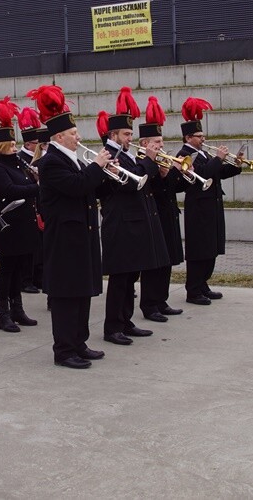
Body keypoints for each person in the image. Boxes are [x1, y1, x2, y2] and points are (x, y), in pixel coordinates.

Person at [30, 84, 111, 369]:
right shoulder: (51, 162)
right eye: (74, 134)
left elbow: (88, 191)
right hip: (64, 239)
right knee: (66, 296)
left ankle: (79, 342)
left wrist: (103, 175)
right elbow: (76, 187)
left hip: (81, 236)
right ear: (60, 136)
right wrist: (97, 167)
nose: (79, 138)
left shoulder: (72, 160)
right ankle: (64, 350)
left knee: (82, 292)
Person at [99, 87, 169, 346]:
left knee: (131, 277)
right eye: (126, 134)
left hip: (133, 222)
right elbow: (127, 183)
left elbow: (141, 182)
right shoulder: (108, 155)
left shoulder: (126, 155)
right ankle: (112, 327)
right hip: (120, 224)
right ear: (113, 134)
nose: (130, 137)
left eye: (130, 134)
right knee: (120, 278)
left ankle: (125, 320)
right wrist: (149, 162)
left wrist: (157, 172)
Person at [0, 97, 40, 333]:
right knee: (7, 269)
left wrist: (34, 178)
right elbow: (9, 190)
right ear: (1, 146)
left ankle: (18, 309)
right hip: (6, 226)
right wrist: (38, 187)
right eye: (12, 145)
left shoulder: (14, 164)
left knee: (19, 267)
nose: (16, 149)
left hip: (22, 224)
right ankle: (3, 313)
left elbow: (23, 183)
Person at [175, 97, 240, 305]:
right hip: (198, 208)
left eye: (203, 135)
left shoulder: (202, 153)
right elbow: (201, 175)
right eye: (199, 136)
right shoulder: (184, 155)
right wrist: (218, 158)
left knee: (211, 248)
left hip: (212, 205)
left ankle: (203, 284)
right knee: (199, 250)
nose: (203, 139)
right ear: (188, 137)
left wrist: (235, 165)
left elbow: (218, 173)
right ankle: (193, 290)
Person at [137, 96, 185, 322]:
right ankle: (149, 304)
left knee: (166, 261)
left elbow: (173, 188)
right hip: (152, 216)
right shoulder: (141, 161)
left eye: (161, 141)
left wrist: (177, 171)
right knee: (153, 264)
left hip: (168, 214)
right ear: (145, 144)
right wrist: (169, 171)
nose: (161, 146)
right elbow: (153, 187)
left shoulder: (159, 161)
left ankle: (161, 300)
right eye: (157, 142)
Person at [16, 107, 44, 294]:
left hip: (39, 204)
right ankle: (26, 280)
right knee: (29, 247)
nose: (40, 146)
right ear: (28, 144)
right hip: (29, 205)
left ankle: (37, 278)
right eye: (37, 143)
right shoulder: (21, 159)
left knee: (39, 246)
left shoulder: (39, 157)